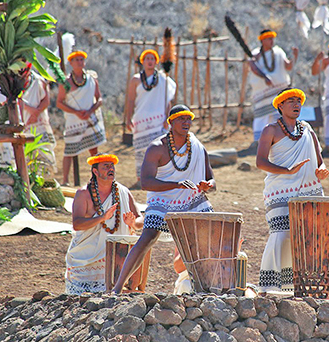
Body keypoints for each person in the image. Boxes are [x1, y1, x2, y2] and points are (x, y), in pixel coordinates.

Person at [112, 105, 215, 294]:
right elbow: (146, 182)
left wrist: (207, 185)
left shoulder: (198, 147)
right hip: (162, 201)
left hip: (193, 199)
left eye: (188, 119)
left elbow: (212, 180)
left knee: (212, 234)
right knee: (148, 237)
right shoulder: (157, 148)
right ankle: (117, 288)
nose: (186, 122)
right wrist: (175, 185)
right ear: (171, 122)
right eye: (181, 119)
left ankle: (211, 286)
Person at [256, 88, 329, 294]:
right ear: (280, 106)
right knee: (281, 235)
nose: (296, 104)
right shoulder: (270, 130)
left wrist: (321, 171)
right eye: (291, 101)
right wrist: (286, 171)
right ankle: (268, 287)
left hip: (310, 192)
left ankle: (303, 287)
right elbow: (260, 162)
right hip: (279, 192)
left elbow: (320, 161)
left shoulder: (308, 129)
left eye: (299, 100)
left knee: (309, 239)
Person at [65, 153, 143, 295]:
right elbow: (77, 224)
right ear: (95, 171)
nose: (110, 169)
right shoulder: (84, 193)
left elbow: (140, 220)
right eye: (106, 166)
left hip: (116, 259)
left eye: (112, 166)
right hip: (87, 259)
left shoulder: (123, 192)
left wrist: (133, 223)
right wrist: (102, 218)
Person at [56, 50, 106, 186]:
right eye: (76, 60)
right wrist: (77, 112)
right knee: (70, 150)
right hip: (74, 120)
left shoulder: (91, 79)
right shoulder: (66, 82)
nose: (79, 62)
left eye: (81, 59)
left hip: (89, 118)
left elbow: (99, 98)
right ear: (71, 63)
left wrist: (90, 111)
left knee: (94, 149)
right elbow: (59, 102)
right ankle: (65, 180)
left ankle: (97, 178)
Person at [125, 49, 176, 179]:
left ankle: (160, 176)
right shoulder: (136, 79)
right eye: (147, 58)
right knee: (141, 150)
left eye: (152, 59)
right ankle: (141, 177)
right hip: (141, 120)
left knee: (161, 148)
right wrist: (128, 118)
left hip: (159, 120)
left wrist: (167, 117)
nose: (150, 61)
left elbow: (167, 100)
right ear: (142, 61)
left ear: (156, 62)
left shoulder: (163, 79)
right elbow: (130, 100)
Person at [248, 29, 298, 143]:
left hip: (278, 91)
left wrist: (295, 57)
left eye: (272, 38)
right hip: (263, 93)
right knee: (262, 117)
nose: (272, 41)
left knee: (278, 116)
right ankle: (258, 141)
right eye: (269, 39)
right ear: (263, 40)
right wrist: (264, 77)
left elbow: (288, 67)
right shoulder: (256, 54)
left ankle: (280, 139)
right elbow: (253, 67)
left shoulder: (278, 52)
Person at [22, 69, 57, 171]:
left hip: (39, 120)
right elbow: (15, 99)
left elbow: (46, 100)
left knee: (43, 150)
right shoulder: (12, 80)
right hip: (24, 118)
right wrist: (32, 112)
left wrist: (36, 113)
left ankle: (45, 176)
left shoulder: (38, 79)